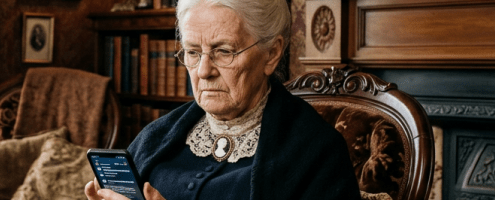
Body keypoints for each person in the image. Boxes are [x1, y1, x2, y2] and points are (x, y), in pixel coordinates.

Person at [85, 0, 361, 199]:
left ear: (272, 54)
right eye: (193, 52)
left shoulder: (317, 152)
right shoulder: (157, 136)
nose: (204, 71)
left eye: (224, 51)